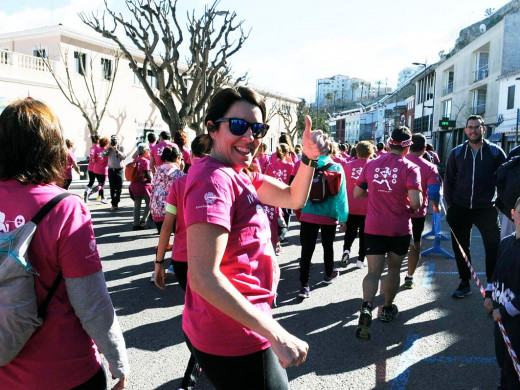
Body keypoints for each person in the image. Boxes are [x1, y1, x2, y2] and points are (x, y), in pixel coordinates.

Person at [182, 86, 329, 389]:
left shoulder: (241, 172)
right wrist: (276, 333)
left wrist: (309, 158)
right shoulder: (214, 180)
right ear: (212, 127)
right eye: (238, 126)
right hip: (237, 334)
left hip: (238, 323)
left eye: (258, 128)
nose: (250, 137)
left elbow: (293, 197)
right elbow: (202, 277)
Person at [0, 99, 129, 389]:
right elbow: (90, 301)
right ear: (51, 147)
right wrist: (117, 361)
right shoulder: (65, 207)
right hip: (64, 371)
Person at [153, 134, 212, 390]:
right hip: (208, 262)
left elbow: (167, 226)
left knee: (200, 314)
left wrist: (158, 262)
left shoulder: (180, 183)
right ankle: (192, 377)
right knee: (206, 318)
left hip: (180, 260)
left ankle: (197, 370)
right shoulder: (220, 181)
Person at [354, 126, 422, 340]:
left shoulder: (372, 164)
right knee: (393, 269)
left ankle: (366, 306)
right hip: (398, 227)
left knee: (373, 271)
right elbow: (416, 203)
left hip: (373, 226)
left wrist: (376, 195)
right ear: (407, 146)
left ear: (389, 143)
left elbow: (357, 193)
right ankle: (386, 309)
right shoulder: (411, 168)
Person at [445, 115, 506, 298]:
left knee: (493, 247)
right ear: (465, 130)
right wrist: (451, 207)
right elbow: (448, 181)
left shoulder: (495, 152)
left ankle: (493, 288)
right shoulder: (456, 153)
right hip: (460, 208)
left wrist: (498, 206)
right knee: (461, 248)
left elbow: (504, 182)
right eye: (470, 127)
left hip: (486, 208)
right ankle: (464, 283)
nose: (473, 130)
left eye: (477, 127)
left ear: (483, 129)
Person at [297, 148, 348, 299]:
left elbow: (296, 189)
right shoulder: (336, 167)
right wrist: (343, 218)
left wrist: (299, 213)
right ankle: (328, 274)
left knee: (307, 250)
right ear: (330, 150)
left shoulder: (306, 165)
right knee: (328, 246)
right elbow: (341, 196)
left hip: (308, 213)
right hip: (329, 214)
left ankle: (304, 286)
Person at [484, 196, 520, 389]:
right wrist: (489, 293)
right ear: (513, 215)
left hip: (514, 318)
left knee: (515, 360)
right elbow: (496, 272)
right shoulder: (505, 242)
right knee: (502, 356)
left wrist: (505, 310)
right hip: (500, 314)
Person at [404, 134, 441, 288]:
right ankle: (409, 277)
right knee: (415, 244)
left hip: (396, 212)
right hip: (418, 212)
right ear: (424, 148)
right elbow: (433, 192)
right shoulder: (430, 167)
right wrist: (436, 207)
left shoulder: (401, 162)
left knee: (395, 245)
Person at [340, 141, 373, 269]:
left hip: (350, 205)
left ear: (357, 152)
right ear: (370, 153)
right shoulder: (373, 165)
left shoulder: (347, 166)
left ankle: (346, 251)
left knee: (350, 232)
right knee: (365, 234)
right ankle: (360, 259)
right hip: (368, 207)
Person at [149, 146, 184, 233]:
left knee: (163, 235)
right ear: (178, 158)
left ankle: (163, 245)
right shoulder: (179, 173)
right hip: (171, 211)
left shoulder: (158, 171)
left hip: (156, 209)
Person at [129, 144, 152, 230]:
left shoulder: (135, 160)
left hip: (134, 185)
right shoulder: (146, 161)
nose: (149, 152)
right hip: (143, 186)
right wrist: (152, 182)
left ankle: (136, 223)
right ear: (144, 151)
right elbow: (147, 174)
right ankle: (143, 221)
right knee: (150, 202)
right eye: (148, 150)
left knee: (137, 205)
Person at [103, 135, 127, 211]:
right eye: (112, 140)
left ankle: (116, 201)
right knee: (112, 188)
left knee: (119, 188)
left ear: (118, 140)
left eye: (115, 140)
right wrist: (107, 148)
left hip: (119, 170)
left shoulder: (121, 147)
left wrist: (116, 150)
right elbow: (102, 155)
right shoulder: (109, 149)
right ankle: (114, 204)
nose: (114, 141)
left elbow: (124, 157)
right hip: (111, 170)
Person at [92, 137, 110, 204]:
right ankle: (102, 198)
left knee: (99, 183)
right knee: (101, 185)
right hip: (103, 170)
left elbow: (93, 160)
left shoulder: (96, 149)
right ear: (106, 143)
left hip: (96, 169)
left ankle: (99, 196)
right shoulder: (107, 150)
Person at [84, 135, 100, 202]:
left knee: (91, 182)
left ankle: (86, 192)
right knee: (101, 183)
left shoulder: (92, 148)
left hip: (90, 167)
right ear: (98, 140)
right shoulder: (98, 148)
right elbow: (94, 159)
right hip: (96, 168)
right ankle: (98, 196)